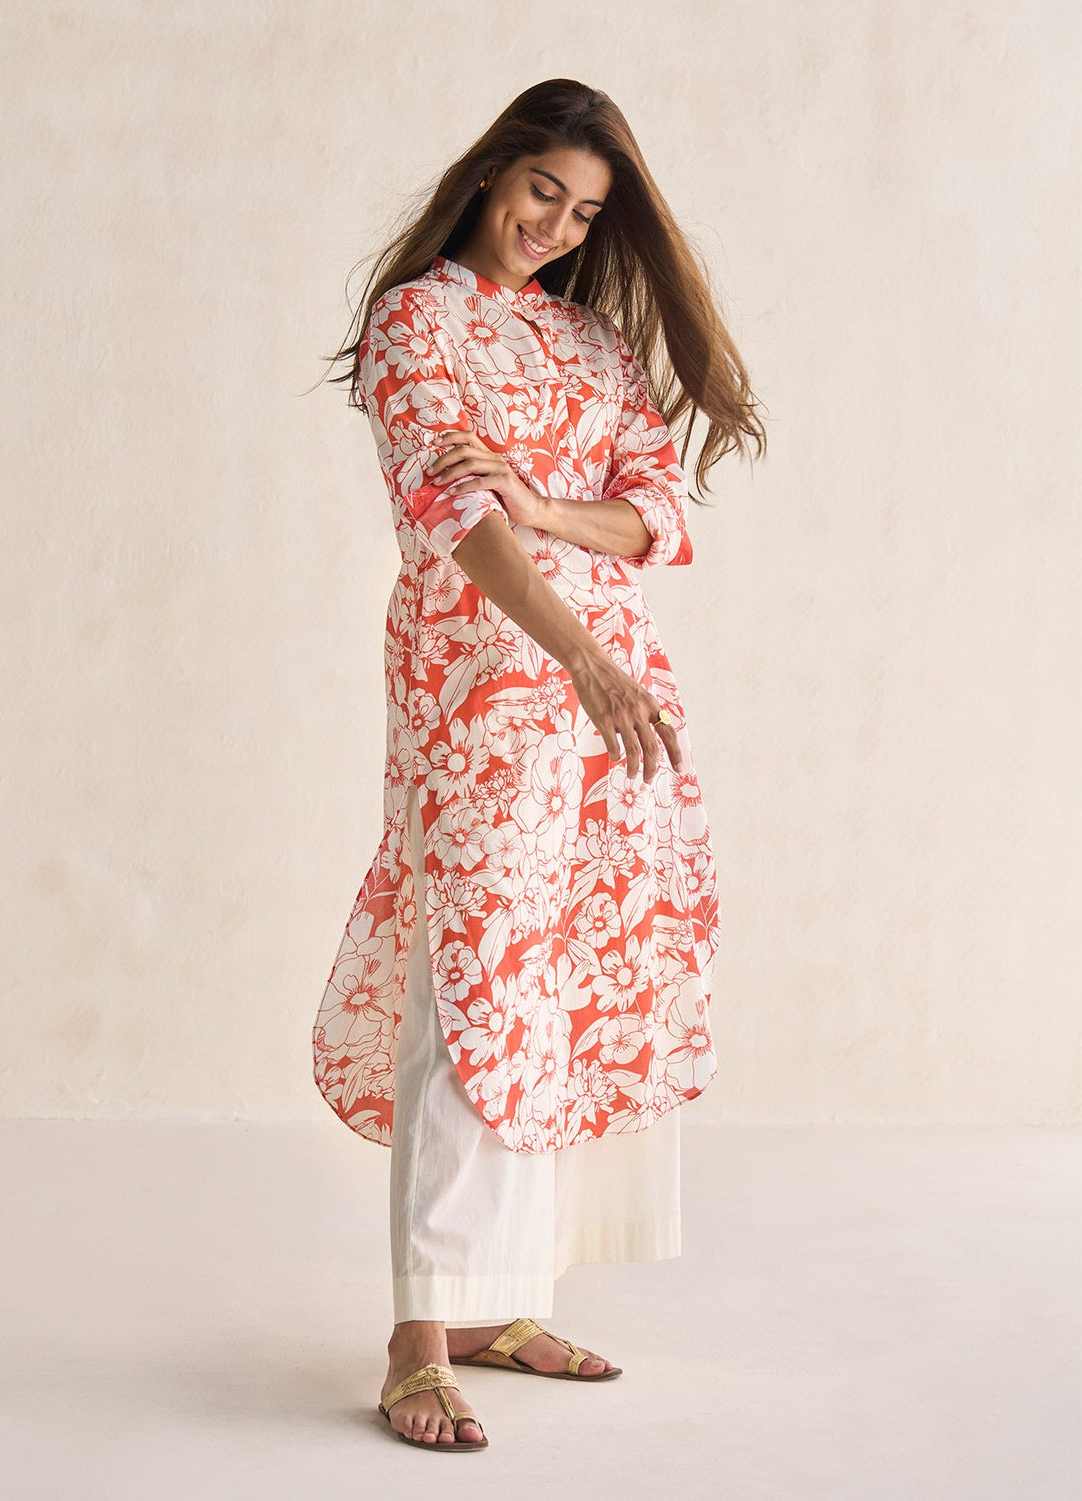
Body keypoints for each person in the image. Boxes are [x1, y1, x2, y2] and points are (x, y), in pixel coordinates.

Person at [311, 78, 766, 1451]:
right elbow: (455, 517)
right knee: (469, 989)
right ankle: (418, 1334)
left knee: (562, 987)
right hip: (488, 692)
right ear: (491, 173)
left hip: (615, 707)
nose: (555, 227)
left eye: (584, 212)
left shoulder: (590, 340)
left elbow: (655, 513)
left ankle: (498, 1305)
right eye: (541, 192)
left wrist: (546, 503)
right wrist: (575, 650)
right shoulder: (415, 322)